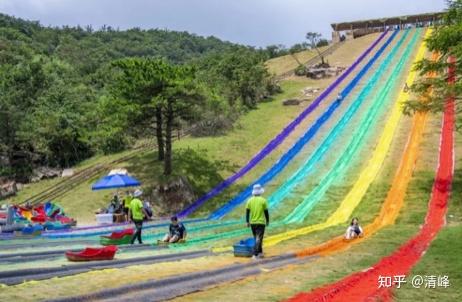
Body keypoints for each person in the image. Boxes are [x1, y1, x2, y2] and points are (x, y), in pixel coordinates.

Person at [246, 184, 269, 259]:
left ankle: (260, 253)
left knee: (257, 238)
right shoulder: (263, 200)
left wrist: (247, 221)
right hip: (261, 222)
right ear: (260, 192)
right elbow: (266, 212)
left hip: (253, 222)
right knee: (258, 239)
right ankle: (255, 254)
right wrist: (267, 221)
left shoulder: (249, 201)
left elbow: (247, 212)